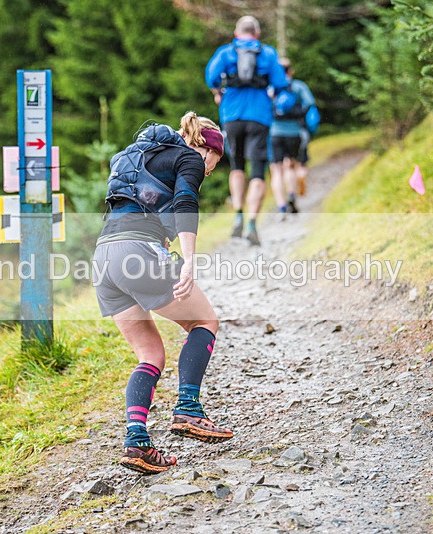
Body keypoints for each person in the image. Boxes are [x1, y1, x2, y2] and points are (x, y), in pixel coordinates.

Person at [93, 112, 232, 475]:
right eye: (214, 164)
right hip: (138, 251)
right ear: (208, 150)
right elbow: (186, 201)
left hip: (104, 258)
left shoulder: (137, 155)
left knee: (150, 354)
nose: (209, 172)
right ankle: (188, 409)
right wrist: (189, 260)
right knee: (204, 321)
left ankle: (137, 442)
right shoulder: (189, 157)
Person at [205, 15, 288, 246]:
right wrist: (271, 93)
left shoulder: (225, 52)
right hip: (259, 116)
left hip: (232, 115)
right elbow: (281, 84)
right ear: (257, 33)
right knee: (258, 172)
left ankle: (238, 214)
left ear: (236, 32)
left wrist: (218, 93)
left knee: (237, 166)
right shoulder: (268, 53)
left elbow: (211, 77)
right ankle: (252, 223)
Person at [269, 57, 320, 214]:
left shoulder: (270, 88)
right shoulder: (298, 86)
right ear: (290, 70)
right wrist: (300, 115)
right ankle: (291, 193)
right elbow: (310, 103)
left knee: (276, 170)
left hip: (275, 132)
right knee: (290, 164)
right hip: (294, 132)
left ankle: (281, 205)